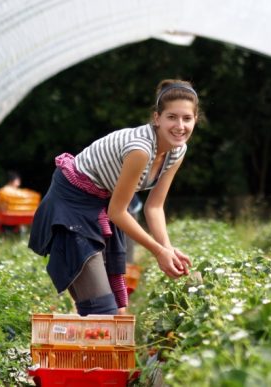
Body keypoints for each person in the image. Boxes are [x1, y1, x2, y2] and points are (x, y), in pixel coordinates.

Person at [29, 79, 197, 316]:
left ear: (195, 120)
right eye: (172, 117)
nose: (180, 126)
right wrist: (158, 252)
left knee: (117, 310)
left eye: (187, 118)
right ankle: (82, 347)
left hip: (101, 201)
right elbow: (117, 212)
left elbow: (155, 207)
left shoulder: (177, 150)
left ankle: (93, 347)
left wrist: (167, 248)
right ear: (157, 118)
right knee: (103, 311)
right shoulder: (140, 149)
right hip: (72, 203)